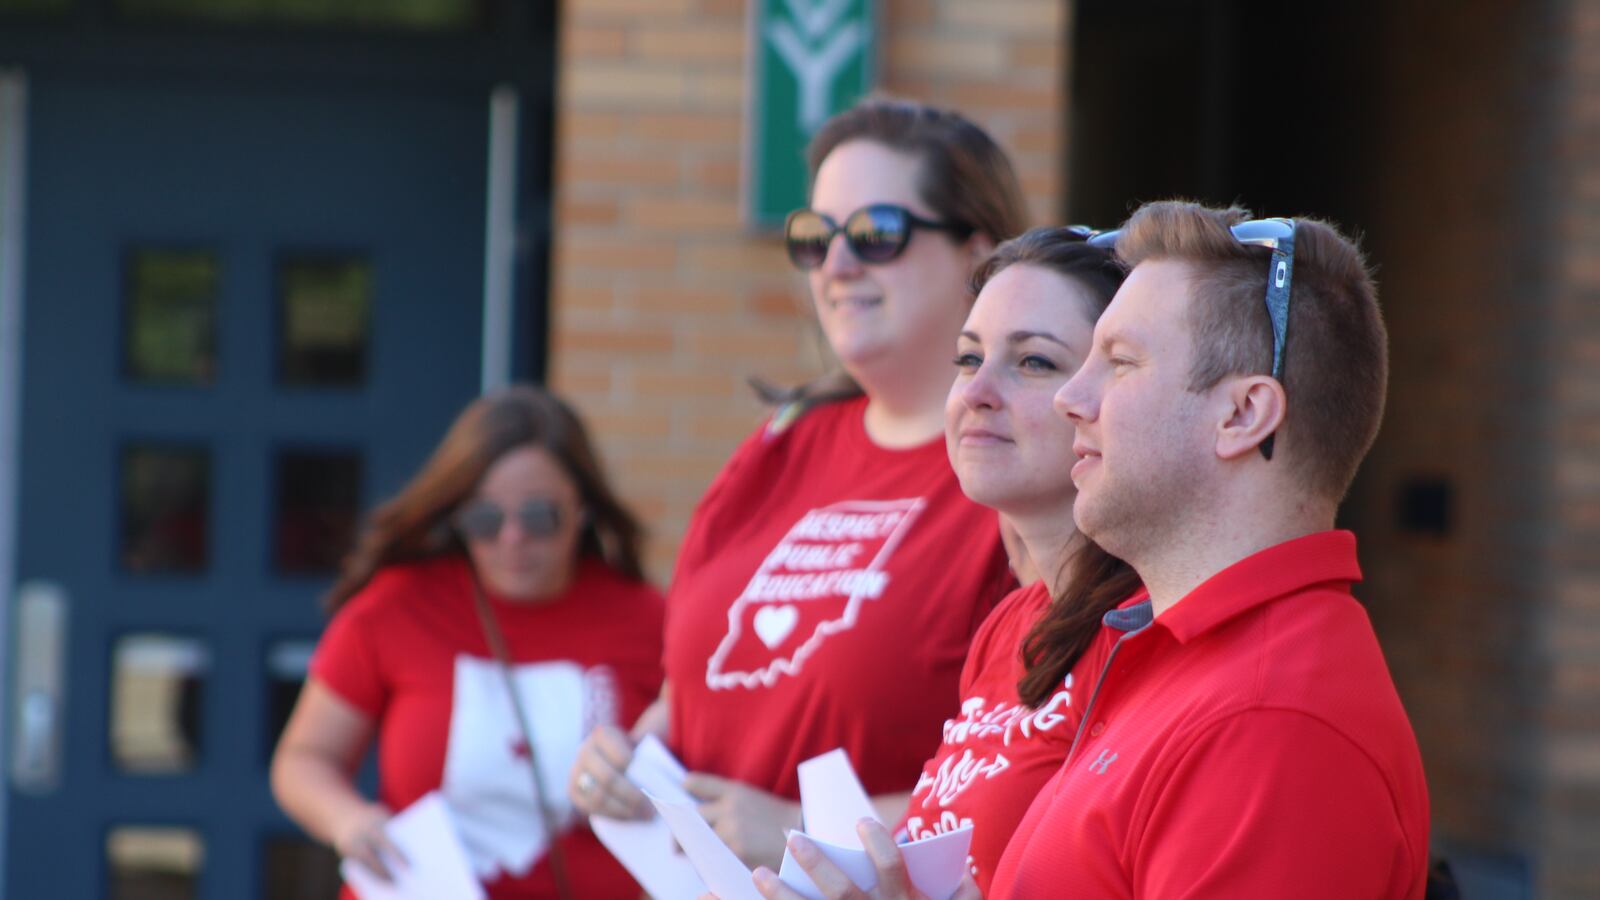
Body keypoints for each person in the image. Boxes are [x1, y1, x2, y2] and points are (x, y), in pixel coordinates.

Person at [569, 98, 1027, 871]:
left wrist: (807, 825)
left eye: (877, 234)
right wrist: (628, 760)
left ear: (976, 256)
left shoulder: (1015, 476)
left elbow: (1039, 771)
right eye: (816, 239)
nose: (838, 266)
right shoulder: (778, 447)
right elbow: (693, 689)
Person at [986, 200, 1429, 897]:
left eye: (1120, 362)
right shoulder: (1184, 661)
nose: (1071, 397)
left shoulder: (1270, 724)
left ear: (1243, 415)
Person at [271, 385, 665, 899]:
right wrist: (349, 821)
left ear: (583, 510)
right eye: (484, 519)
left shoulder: (651, 619)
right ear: (457, 517)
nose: (512, 539)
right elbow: (303, 759)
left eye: (539, 517)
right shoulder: (397, 607)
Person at [897, 227, 1140, 893]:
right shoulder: (1010, 625)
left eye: (1033, 362)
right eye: (969, 359)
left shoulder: (1140, 634)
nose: (977, 391)